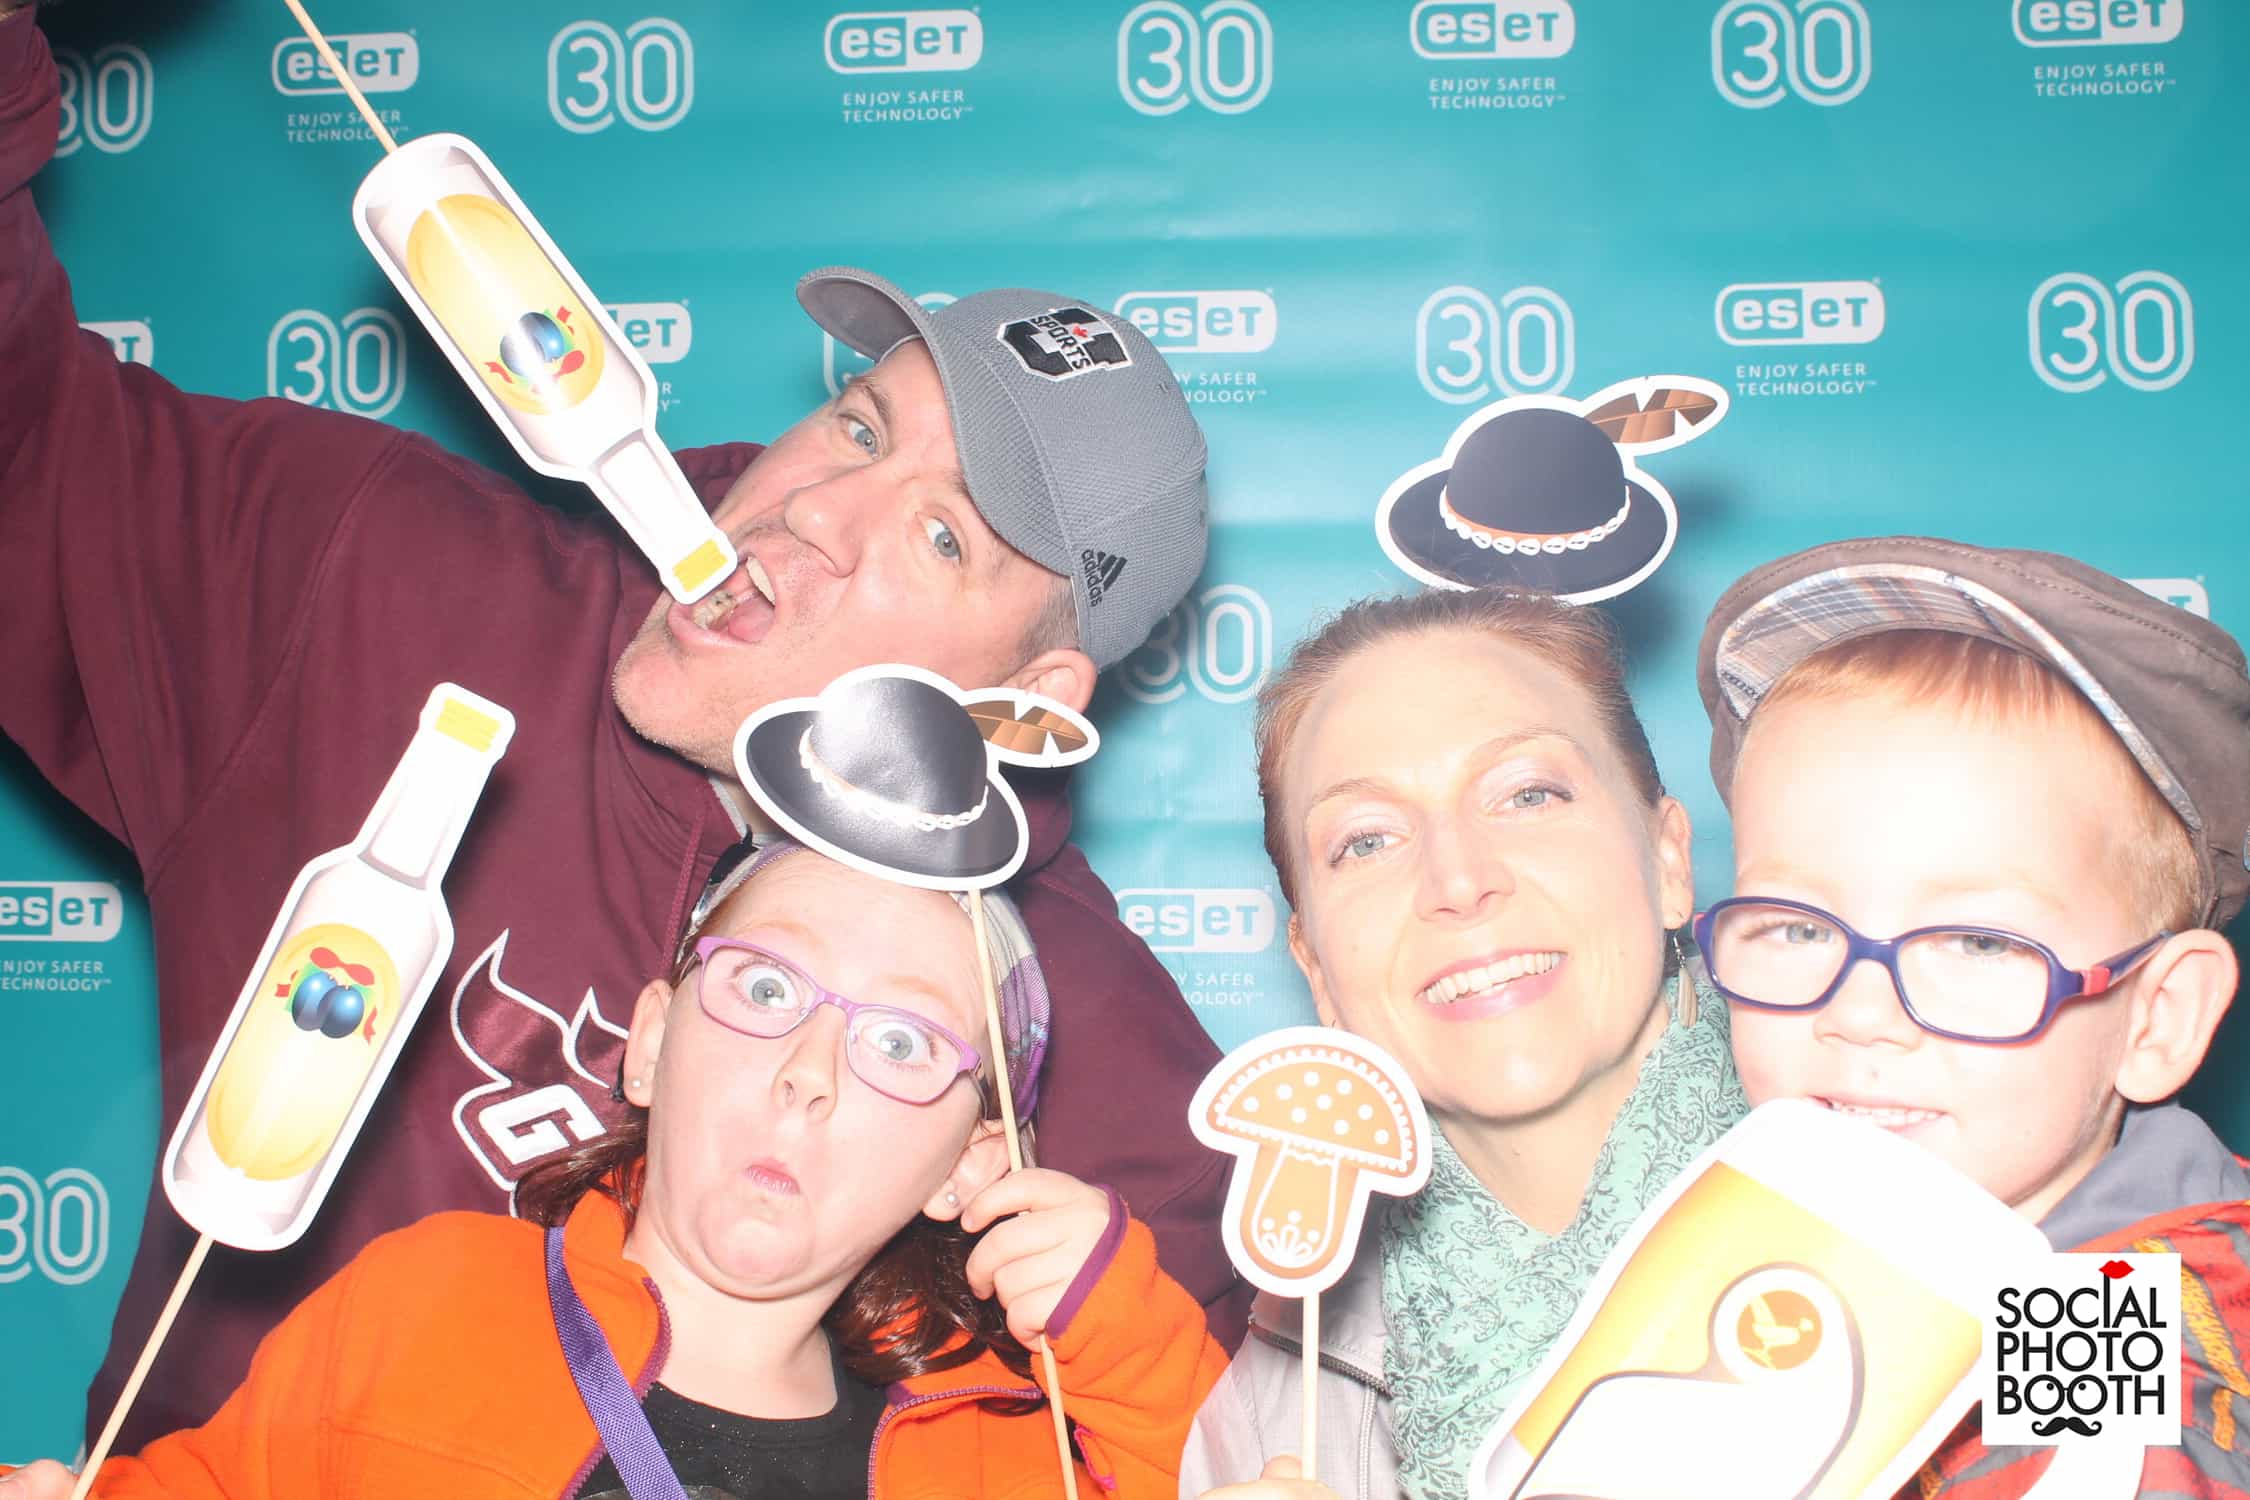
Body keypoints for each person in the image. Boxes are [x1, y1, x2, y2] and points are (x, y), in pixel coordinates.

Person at [0, 4, 1242, 1451]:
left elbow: (1211, 1440)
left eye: (944, 537)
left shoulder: (1073, 1047)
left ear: (1031, 706)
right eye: (858, 426)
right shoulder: (382, 586)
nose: (813, 513)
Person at [0, 839, 1228, 1498]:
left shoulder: (1005, 1451)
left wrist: (1118, 1330)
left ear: (967, 1167)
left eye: (902, 1042)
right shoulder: (421, 1304)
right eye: (765, 987)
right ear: (648, 1043)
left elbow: (1226, 1480)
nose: (808, 1071)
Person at [1695, 535, 2250, 1496]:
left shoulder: (2094, 1334)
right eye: (1797, 929)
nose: (1860, 1014)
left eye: (1978, 943)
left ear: (2156, 1018)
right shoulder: (1846, 1239)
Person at [1181, 589, 1749, 1500]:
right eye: (1367, 841)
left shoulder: (1963, 1194)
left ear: (1669, 859)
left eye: (1527, 794)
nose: (1457, 879)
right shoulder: (1267, 1417)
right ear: (1316, 966)